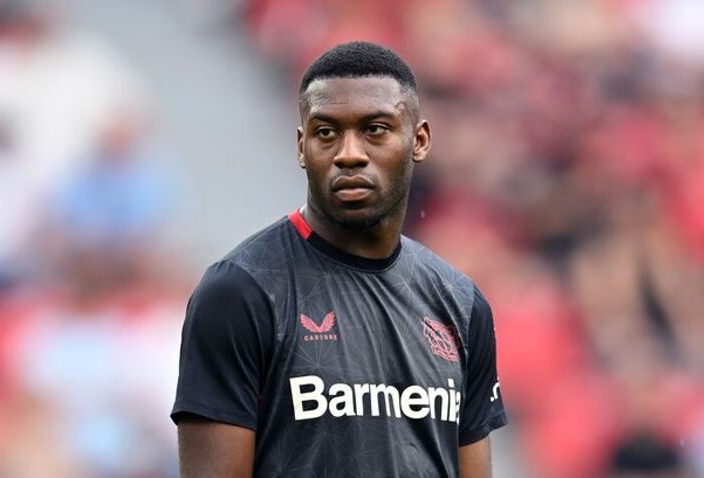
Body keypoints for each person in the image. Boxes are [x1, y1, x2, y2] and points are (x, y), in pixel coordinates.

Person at [172, 41, 507, 478]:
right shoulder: (241, 293)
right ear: (302, 147)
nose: (349, 153)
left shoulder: (460, 303)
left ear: (419, 141)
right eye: (326, 132)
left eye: (375, 129)